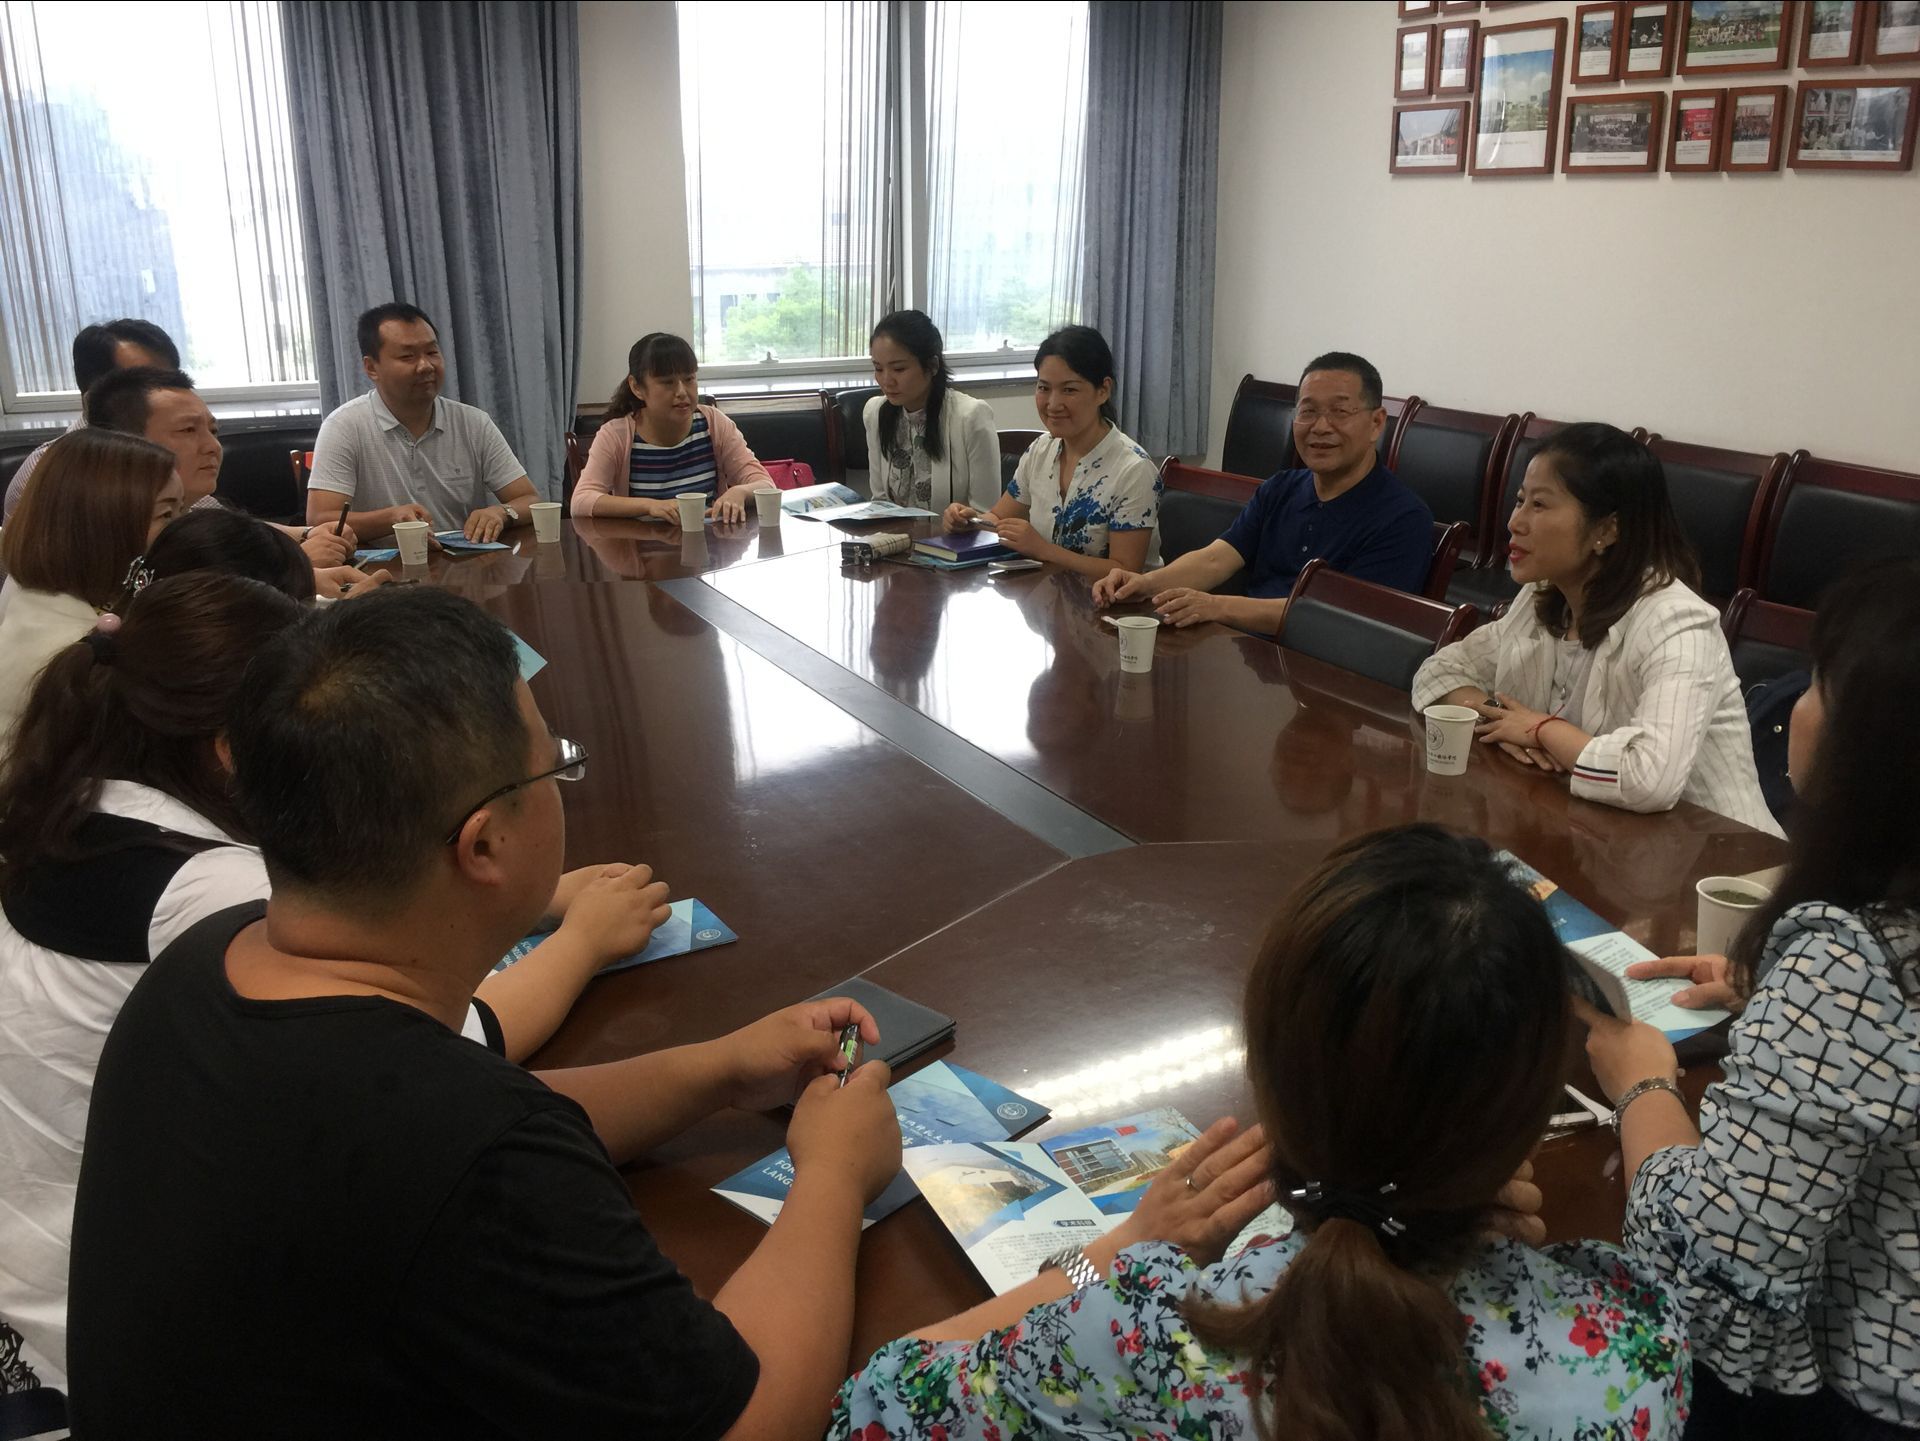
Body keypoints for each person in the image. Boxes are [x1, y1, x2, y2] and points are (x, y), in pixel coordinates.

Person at [66, 586, 903, 1438]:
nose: (562, 783)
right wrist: (834, 1175)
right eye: (555, 766)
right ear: (485, 843)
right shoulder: (470, 1153)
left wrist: (719, 1069)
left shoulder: (205, 965)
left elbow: (478, 1117)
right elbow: (751, 1423)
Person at [0, 575, 671, 1400]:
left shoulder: (131, 846)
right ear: (239, 749)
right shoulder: (216, 902)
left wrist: (720, 1064)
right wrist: (583, 940)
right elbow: (464, 1054)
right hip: (69, 1346)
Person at [833, 825, 1689, 1440]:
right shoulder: (1633, 1351)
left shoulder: (1147, 1332)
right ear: (1530, 1120)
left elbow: (875, 1403)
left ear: (1271, 1078)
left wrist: (1119, 1248)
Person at [1583, 555, 1920, 1439]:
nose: (1795, 706)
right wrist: (1773, 988)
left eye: (1818, 682)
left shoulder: (1850, 964)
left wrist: (1641, 1085)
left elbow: (1714, 1273)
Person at [1411, 422, 1779, 836]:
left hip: (1719, 853)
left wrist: (1540, 729)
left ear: (1606, 529)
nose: (1515, 522)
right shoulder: (1542, 597)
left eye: (1539, 505)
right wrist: (1499, 721)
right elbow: (1438, 671)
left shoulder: (1678, 622)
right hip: (1601, 837)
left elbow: (1648, 780)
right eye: (1519, 500)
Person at [1091, 352, 1432, 634]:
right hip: (1251, 653)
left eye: (1340, 412)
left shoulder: (1403, 518)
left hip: (1330, 673)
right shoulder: (1281, 489)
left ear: (1376, 423)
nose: (1321, 426)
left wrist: (1216, 606)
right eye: (1308, 411)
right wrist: (1145, 584)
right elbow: (1215, 559)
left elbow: (1342, 621)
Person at [84, 366, 363, 588]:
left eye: (213, 431)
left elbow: (244, 529)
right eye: (188, 430)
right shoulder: (111, 541)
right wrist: (295, 566)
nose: (213, 446)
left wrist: (306, 537)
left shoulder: (195, 506)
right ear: (127, 443)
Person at [0, 430, 182, 749]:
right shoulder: (79, 654)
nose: (182, 528)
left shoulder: (42, 589)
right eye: (167, 514)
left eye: (183, 511)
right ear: (103, 526)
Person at [304, 302, 540, 541]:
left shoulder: (473, 423)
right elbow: (320, 519)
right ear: (371, 367)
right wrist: (391, 519)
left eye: (432, 352)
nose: (426, 366)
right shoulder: (343, 426)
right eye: (407, 356)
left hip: (464, 558)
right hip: (383, 560)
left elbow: (530, 500)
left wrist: (501, 512)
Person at [941, 325, 1161, 580]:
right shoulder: (1041, 451)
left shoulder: (1134, 469)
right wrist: (970, 522)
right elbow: (998, 518)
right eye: (1044, 388)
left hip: (1118, 603)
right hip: (1046, 594)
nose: (1053, 404)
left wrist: (1044, 550)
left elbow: (1126, 571)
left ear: (1103, 391)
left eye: (1069, 390)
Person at [570, 331, 777, 524]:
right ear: (637, 387)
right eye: (667, 382)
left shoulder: (714, 423)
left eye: (689, 379)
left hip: (708, 543)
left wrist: (740, 492)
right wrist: (650, 506)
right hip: (641, 547)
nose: (681, 392)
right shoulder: (616, 434)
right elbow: (581, 500)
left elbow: (765, 484)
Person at [2, 319, 178, 523]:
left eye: (173, 382)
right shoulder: (48, 475)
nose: (170, 395)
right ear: (93, 397)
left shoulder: (182, 444)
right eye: (146, 385)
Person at [864, 310, 998, 512]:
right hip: (894, 532)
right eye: (878, 368)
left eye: (899, 369)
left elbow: (986, 514)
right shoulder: (875, 412)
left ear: (932, 366)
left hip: (954, 533)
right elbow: (880, 500)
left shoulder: (971, 416)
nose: (886, 381)